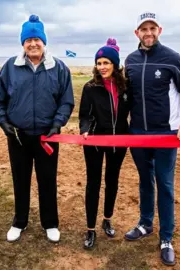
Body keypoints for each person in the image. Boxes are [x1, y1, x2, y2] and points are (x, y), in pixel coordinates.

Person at [0, 14, 75, 243]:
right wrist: (4, 122)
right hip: (18, 136)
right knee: (20, 179)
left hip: (48, 137)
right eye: (29, 40)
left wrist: (57, 124)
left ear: (44, 42)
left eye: (37, 39)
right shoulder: (10, 67)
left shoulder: (58, 67)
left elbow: (66, 101)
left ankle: (50, 223)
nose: (33, 43)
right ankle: (19, 221)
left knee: (47, 180)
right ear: (23, 43)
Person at [123, 12, 180, 266]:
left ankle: (166, 237)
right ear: (137, 33)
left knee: (164, 184)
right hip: (137, 134)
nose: (148, 32)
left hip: (166, 134)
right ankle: (146, 223)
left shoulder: (172, 59)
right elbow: (127, 97)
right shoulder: (130, 61)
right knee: (145, 181)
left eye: (152, 28)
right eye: (143, 29)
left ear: (159, 30)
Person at [78, 38, 130, 249]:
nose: (102, 67)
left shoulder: (126, 87)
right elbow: (84, 115)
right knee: (93, 183)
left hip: (120, 141)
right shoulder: (90, 87)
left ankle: (107, 219)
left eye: (106, 63)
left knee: (112, 180)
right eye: (99, 63)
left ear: (115, 65)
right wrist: (85, 129)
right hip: (95, 142)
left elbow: (132, 111)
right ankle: (90, 229)